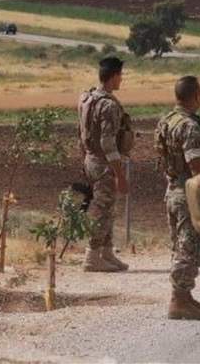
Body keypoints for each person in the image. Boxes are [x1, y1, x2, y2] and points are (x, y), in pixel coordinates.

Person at [154, 75, 200, 319]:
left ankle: (185, 296)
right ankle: (178, 300)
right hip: (188, 193)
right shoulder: (189, 126)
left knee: (180, 246)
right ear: (196, 96)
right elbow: (196, 164)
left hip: (172, 190)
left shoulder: (165, 121)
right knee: (191, 247)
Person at [78, 55, 133, 273]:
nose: (122, 79)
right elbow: (108, 143)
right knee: (102, 211)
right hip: (103, 164)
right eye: (120, 75)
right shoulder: (108, 105)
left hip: (91, 160)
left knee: (108, 209)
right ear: (113, 76)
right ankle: (92, 257)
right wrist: (120, 175)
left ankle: (107, 252)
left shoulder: (87, 99)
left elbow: (81, 133)